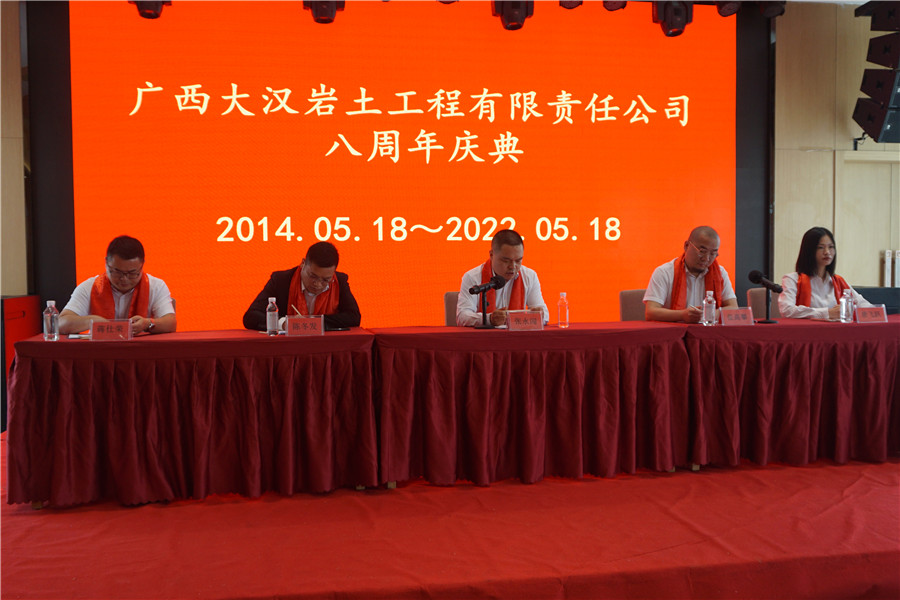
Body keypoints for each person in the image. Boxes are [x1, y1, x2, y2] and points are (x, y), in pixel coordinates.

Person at [59, 235, 176, 335]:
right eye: (117, 272)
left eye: (132, 273)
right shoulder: (89, 287)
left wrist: (147, 323)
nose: (124, 279)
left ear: (142, 265)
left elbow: (170, 323)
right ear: (106, 263)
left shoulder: (156, 286)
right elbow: (61, 323)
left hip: (142, 351)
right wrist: (92, 321)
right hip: (100, 351)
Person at [243, 241, 361, 331]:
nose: (318, 284)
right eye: (313, 276)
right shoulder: (281, 280)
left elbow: (353, 317)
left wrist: (312, 323)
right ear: (303, 263)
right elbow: (251, 317)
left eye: (325, 280)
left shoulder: (339, 281)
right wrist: (283, 323)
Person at [643, 225, 738, 322]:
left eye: (713, 254)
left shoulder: (720, 273)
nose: (706, 258)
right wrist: (682, 315)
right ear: (686, 246)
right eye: (702, 251)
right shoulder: (664, 272)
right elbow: (651, 313)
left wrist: (711, 314)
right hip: (675, 330)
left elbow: (733, 307)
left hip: (709, 329)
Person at [456, 229, 548, 327]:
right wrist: (489, 319)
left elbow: (545, 315)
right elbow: (462, 317)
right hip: (483, 336)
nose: (513, 266)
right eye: (506, 261)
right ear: (491, 255)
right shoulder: (472, 277)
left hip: (518, 336)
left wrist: (540, 314)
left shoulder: (529, 276)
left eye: (518, 261)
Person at [778, 226, 872, 320]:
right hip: (806, 329)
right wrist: (827, 313)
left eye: (831, 247)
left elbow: (866, 306)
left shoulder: (838, 281)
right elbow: (786, 310)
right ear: (809, 251)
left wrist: (850, 309)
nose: (827, 252)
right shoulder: (792, 279)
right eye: (821, 247)